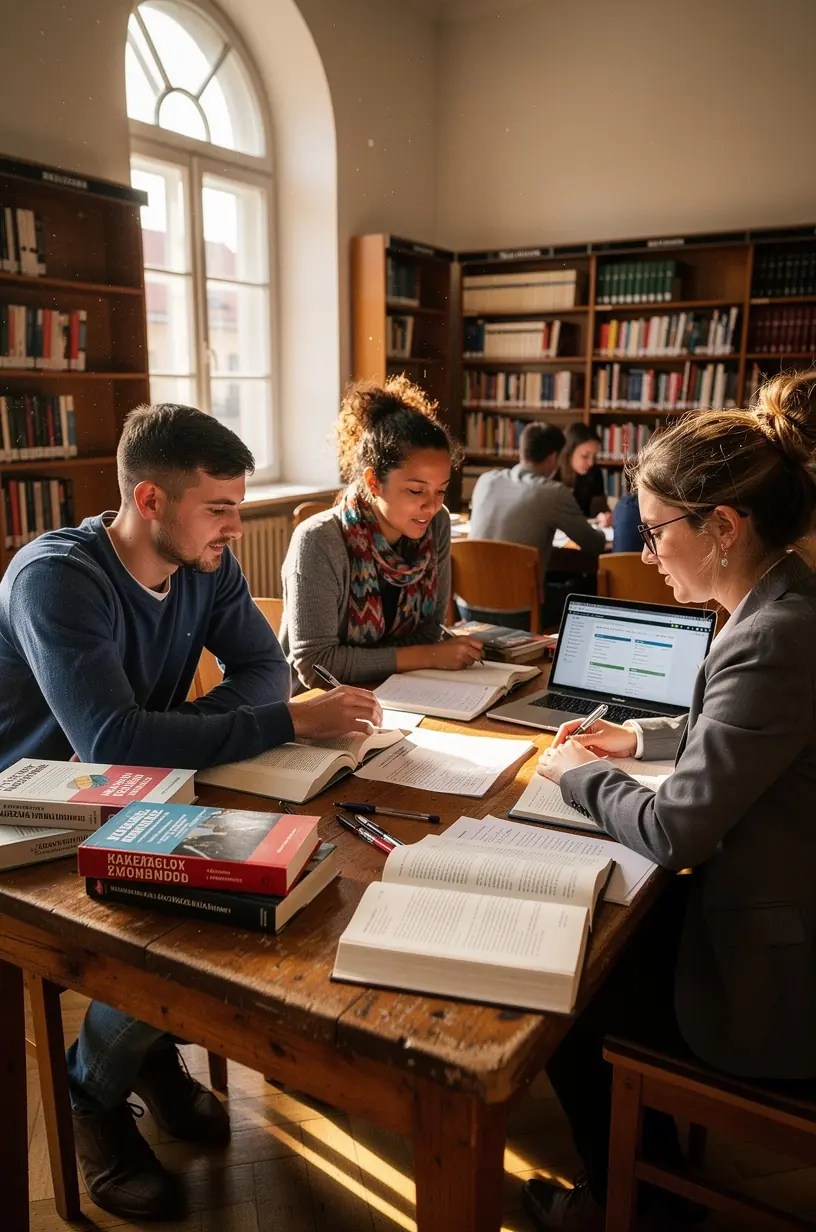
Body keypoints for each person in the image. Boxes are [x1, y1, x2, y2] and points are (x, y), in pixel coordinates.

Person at [0, 402, 381, 1222]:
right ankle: (88, 1095)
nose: (236, 528)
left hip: (146, 788)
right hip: (34, 814)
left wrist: (185, 734)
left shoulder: (205, 566)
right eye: (220, 508)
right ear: (148, 502)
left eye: (238, 506)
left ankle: (141, 1048)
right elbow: (110, 737)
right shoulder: (55, 578)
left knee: (281, 873)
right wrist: (278, 724)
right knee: (180, 922)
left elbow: (262, 669)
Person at [523, 371, 816, 1230]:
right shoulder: (780, 599)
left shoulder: (774, 636)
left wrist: (577, 776)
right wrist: (638, 740)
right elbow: (740, 733)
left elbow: (675, 827)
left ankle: (634, 1202)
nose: (646, 554)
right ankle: (646, 1171)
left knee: (569, 996)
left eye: (656, 532)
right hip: (775, 906)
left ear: (723, 526)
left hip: (778, 979)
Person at [280, 375, 482, 686]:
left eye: (440, 490)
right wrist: (429, 656)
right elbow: (316, 665)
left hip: (400, 691)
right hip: (320, 707)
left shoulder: (437, 524)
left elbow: (428, 630)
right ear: (374, 482)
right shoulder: (319, 540)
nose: (431, 506)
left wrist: (413, 654)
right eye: (416, 491)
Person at [467, 422, 606, 627]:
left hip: (468, 606)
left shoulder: (485, 480)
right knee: (588, 588)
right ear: (553, 457)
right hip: (519, 614)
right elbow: (595, 545)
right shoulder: (553, 492)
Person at [553, 421, 611, 523]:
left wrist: (605, 517)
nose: (591, 463)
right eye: (585, 456)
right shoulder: (552, 473)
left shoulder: (595, 473)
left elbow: (600, 510)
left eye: (594, 456)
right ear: (568, 452)